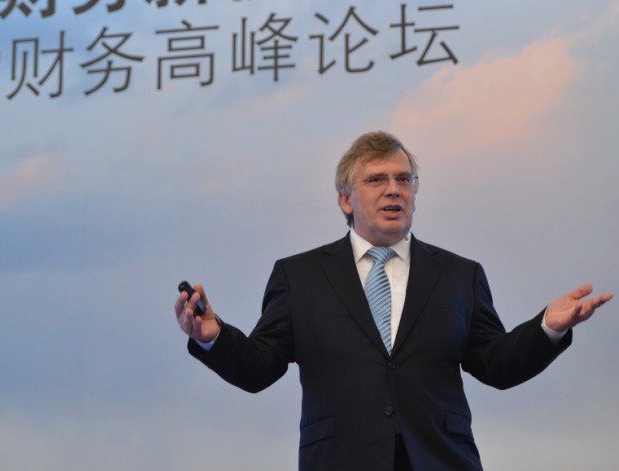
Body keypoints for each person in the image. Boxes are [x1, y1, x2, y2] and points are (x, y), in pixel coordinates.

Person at [174, 131, 613, 471]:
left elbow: (496, 364)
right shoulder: (299, 277)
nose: (394, 190)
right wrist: (213, 337)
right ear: (345, 199)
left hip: (441, 459)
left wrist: (547, 328)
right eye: (376, 180)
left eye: (404, 179)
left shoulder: (459, 275)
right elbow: (259, 368)